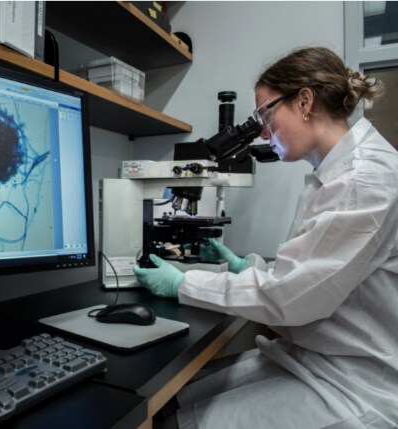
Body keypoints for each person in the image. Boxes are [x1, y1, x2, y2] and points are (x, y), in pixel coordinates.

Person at [134, 46, 398, 429]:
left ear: (304, 101)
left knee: (175, 422)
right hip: (319, 357)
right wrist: (248, 267)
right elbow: (314, 272)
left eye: (266, 113)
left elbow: (290, 298)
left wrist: (181, 283)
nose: (261, 130)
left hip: (356, 383)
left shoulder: (363, 181)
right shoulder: (337, 173)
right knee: (171, 401)